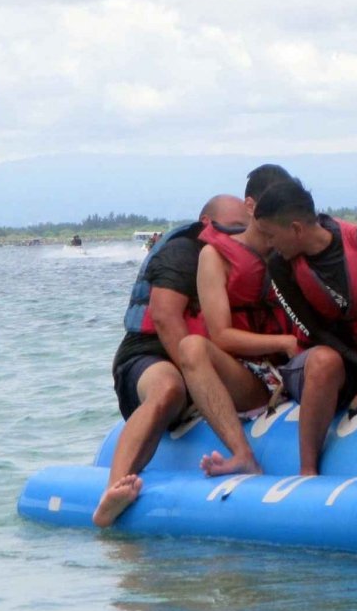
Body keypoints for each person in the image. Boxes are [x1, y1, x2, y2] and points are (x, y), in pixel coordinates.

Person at [95, 193, 248, 526]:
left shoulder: (243, 260)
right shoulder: (183, 253)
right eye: (234, 229)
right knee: (168, 389)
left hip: (202, 360)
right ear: (207, 224)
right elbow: (164, 318)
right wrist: (200, 382)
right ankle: (114, 491)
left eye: (246, 230)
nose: (241, 237)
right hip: (147, 356)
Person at [180, 175, 304, 477]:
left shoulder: (296, 247)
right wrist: (282, 343)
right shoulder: (216, 256)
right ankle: (243, 454)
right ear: (251, 206)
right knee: (192, 347)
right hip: (249, 374)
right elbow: (221, 336)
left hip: (296, 369)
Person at [261, 181, 357, 475]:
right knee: (325, 359)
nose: (267, 244)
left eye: (271, 235)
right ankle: (308, 471)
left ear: (296, 229)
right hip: (321, 365)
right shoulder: (280, 265)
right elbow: (315, 331)